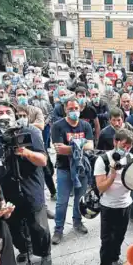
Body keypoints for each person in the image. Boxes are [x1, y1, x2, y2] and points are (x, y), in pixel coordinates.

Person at [0, 102, 52, 265]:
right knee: (13, 223)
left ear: (15, 114)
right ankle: (24, 248)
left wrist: (24, 152)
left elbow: (43, 160)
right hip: (6, 184)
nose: (5, 115)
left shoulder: (30, 131)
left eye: (8, 111)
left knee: (38, 223)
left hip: (30, 182)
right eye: (1, 112)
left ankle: (44, 253)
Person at [51, 98, 95, 244]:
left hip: (82, 168)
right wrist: (79, 146)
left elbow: (91, 146)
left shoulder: (85, 125)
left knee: (79, 198)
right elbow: (59, 149)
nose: (74, 111)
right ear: (65, 109)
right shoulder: (58, 126)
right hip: (64, 169)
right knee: (62, 201)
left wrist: (71, 148)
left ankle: (77, 222)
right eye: (70, 109)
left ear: (80, 108)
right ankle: (58, 229)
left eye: (76, 108)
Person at [95, 129, 133, 265]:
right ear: (115, 142)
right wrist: (112, 173)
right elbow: (101, 187)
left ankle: (115, 256)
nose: (126, 150)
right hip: (108, 205)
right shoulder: (103, 160)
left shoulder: (131, 159)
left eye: (128, 147)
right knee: (106, 240)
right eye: (123, 145)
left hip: (125, 205)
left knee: (119, 236)